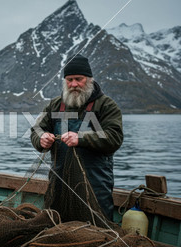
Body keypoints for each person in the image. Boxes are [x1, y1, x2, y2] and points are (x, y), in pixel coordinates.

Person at [30, 54, 123, 221]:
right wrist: (41, 138)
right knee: (56, 225)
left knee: (96, 229)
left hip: (95, 185)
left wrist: (81, 138)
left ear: (89, 79)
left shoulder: (106, 105)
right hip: (59, 183)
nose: (73, 84)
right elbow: (36, 129)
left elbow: (114, 137)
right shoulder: (55, 105)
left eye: (78, 79)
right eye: (69, 79)